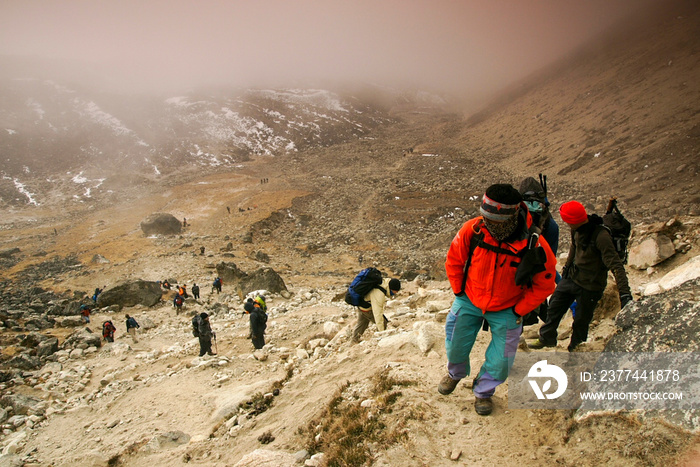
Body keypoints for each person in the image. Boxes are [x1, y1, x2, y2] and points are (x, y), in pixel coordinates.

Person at [440, 183, 557, 416]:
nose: (488, 224)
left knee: (502, 360)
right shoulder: (472, 230)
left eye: (494, 221)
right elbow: (453, 260)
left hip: (508, 307)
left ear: (512, 216)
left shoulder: (533, 243)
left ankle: (483, 392)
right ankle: (455, 374)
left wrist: (518, 310)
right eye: (486, 218)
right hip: (470, 299)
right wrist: (459, 292)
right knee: (455, 345)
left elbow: (545, 282)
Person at [529, 200, 633, 352]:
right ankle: (547, 338)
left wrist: (625, 293)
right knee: (554, 307)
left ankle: (576, 349)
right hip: (572, 278)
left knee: (581, 321)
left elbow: (616, 265)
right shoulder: (576, 229)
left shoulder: (601, 236)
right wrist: (566, 271)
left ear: (571, 220)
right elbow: (573, 247)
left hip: (591, 285)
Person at [352, 278, 401, 343]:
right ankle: (379, 340)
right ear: (391, 289)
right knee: (384, 322)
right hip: (366, 308)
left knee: (362, 323)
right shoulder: (379, 294)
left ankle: (353, 341)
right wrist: (382, 333)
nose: (395, 294)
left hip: (362, 304)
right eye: (395, 292)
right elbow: (377, 314)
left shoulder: (384, 282)